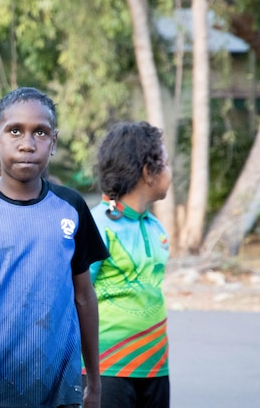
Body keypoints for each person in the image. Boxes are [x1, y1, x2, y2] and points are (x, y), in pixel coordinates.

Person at [0, 87, 108, 407]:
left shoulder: (71, 206)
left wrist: (93, 377)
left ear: (54, 141)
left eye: (40, 132)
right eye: (15, 131)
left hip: (60, 388)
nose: (27, 143)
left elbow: (83, 296)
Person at [86, 122, 172, 408]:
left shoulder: (155, 226)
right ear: (148, 172)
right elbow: (78, 297)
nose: (171, 172)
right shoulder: (98, 224)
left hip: (156, 363)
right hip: (109, 366)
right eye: (167, 164)